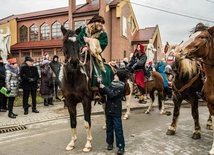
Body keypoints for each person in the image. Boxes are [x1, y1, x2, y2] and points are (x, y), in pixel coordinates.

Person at [78, 14, 109, 100]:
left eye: (102, 22)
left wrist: (91, 41)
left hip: (95, 55)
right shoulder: (84, 29)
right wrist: (83, 47)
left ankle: (96, 90)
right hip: (83, 53)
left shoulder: (103, 34)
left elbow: (104, 43)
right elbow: (79, 39)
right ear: (93, 22)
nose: (101, 24)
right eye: (99, 22)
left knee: (97, 67)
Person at [97, 70, 126, 155]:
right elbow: (105, 91)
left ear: (120, 78)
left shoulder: (121, 87)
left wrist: (104, 87)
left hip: (116, 111)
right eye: (115, 75)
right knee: (109, 128)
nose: (114, 77)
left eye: (116, 76)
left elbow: (112, 94)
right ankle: (110, 143)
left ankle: (121, 146)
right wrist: (100, 83)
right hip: (109, 109)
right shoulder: (112, 84)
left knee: (118, 129)